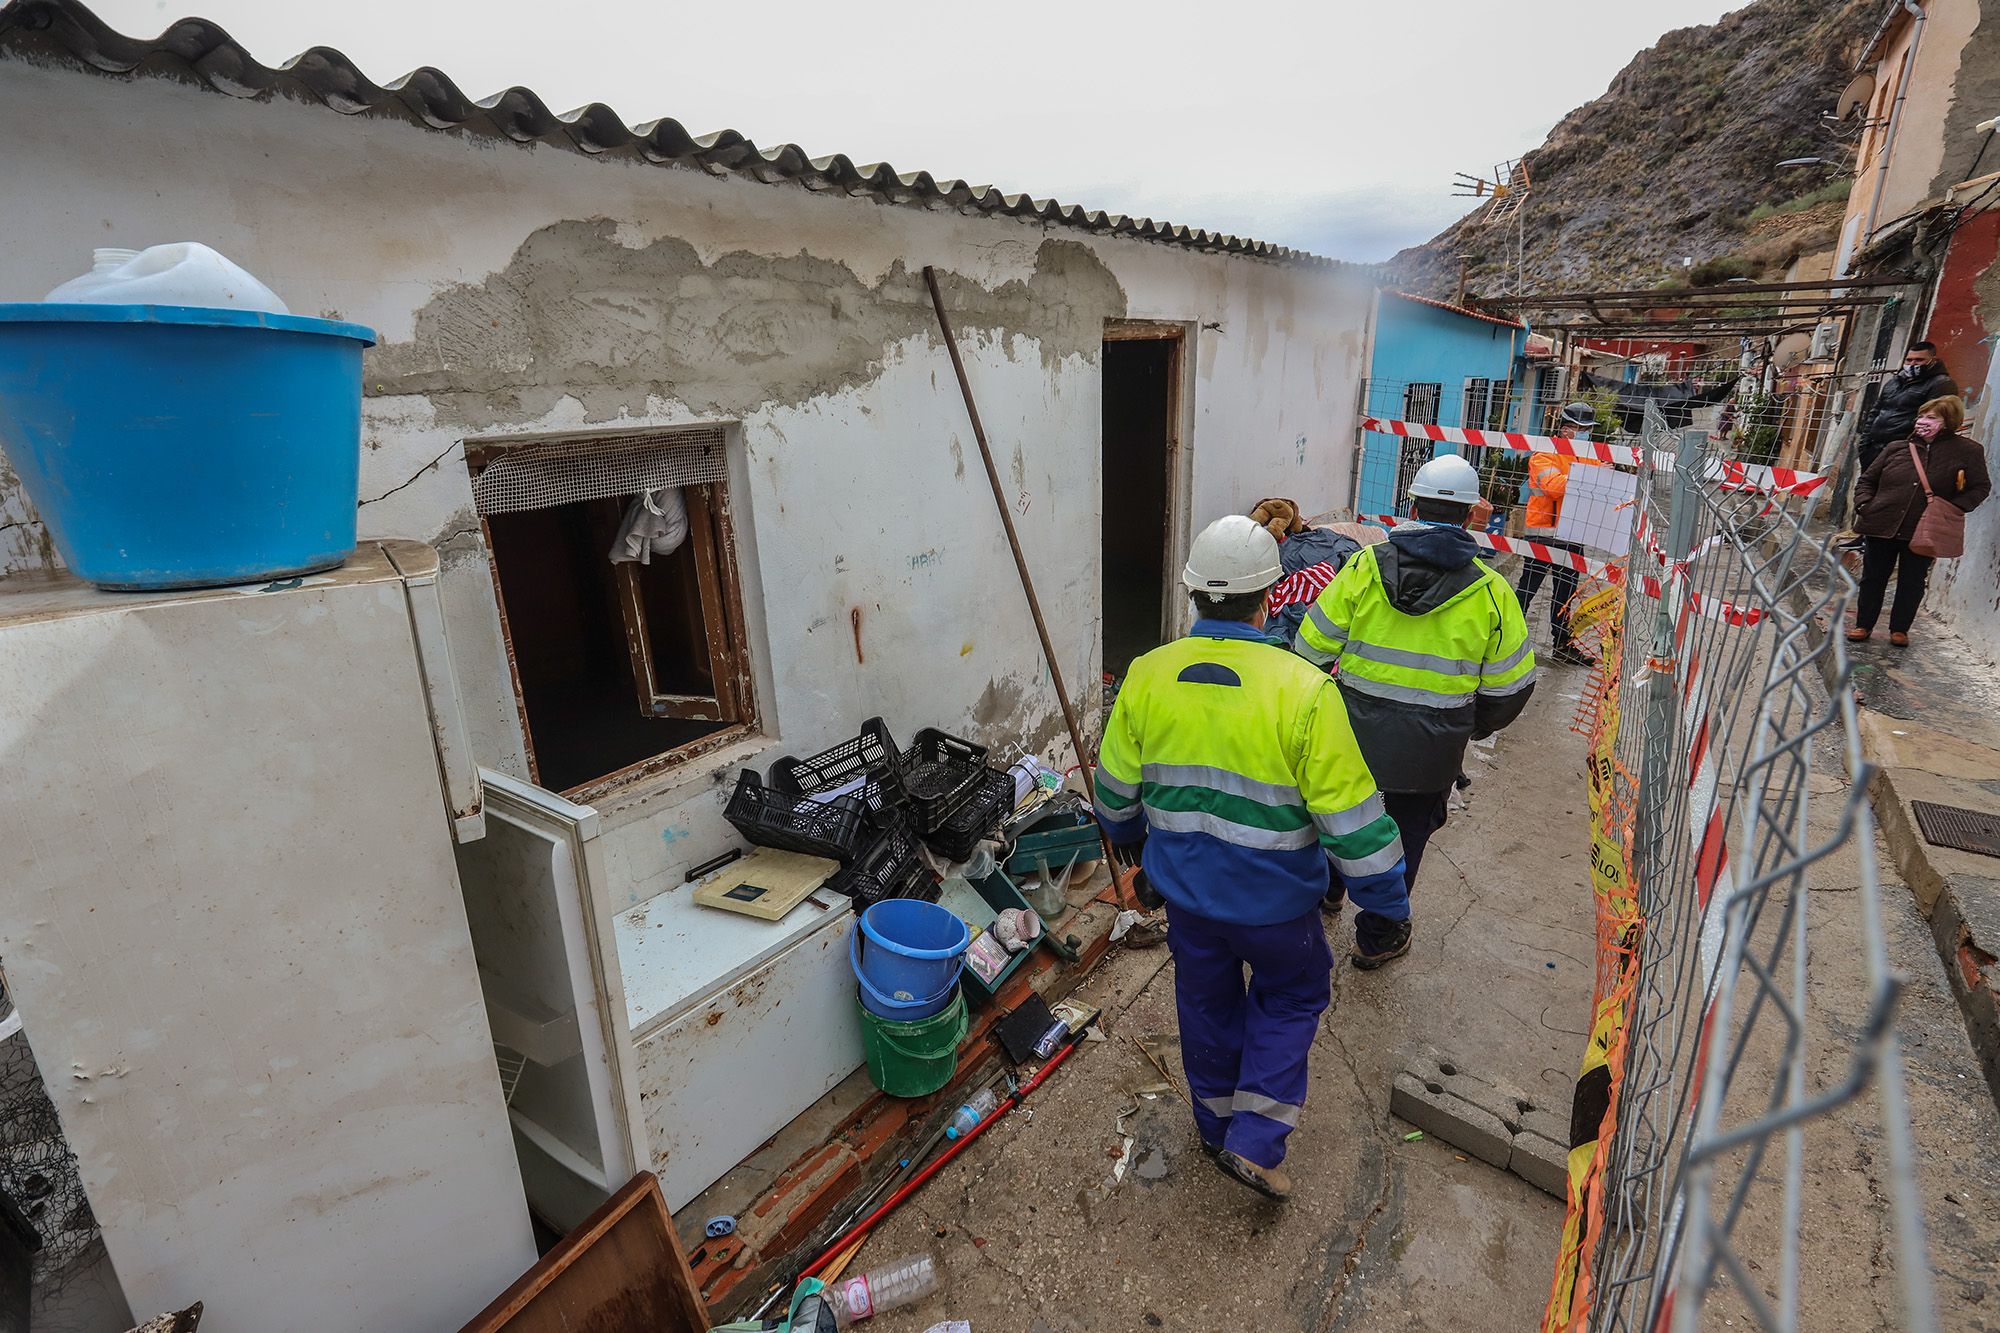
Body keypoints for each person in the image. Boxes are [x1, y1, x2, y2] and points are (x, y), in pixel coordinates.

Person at [1094, 515, 1409, 1201]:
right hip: (1276, 906)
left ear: (1193, 596)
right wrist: (1387, 899)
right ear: (1270, 596)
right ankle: (1255, 1141)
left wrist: (1129, 841)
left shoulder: (1147, 675)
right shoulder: (1303, 690)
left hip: (1188, 901)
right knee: (1293, 993)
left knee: (1204, 1001)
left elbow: (1115, 792)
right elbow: (1353, 821)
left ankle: (1215, 1126)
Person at [1294, 455, 1536, 904]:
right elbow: (1511, 689)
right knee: (1405, 842)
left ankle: (1329, 893)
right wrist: (1467, 725)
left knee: (1339, 817)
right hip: (1432, 751)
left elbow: (1309, 651)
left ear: (1415, 507)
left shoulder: (1364, 567)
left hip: (1350, 738)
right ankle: (1379, 935)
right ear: (1468, 514)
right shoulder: (1491, 591)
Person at [1847, 395, 1990, 647]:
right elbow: (1868, 479)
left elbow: (1980, 487)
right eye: (1922, 416)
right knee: (1872, 578)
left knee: (1912, 581)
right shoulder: (1897, 448)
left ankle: (1900, 629)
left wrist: (1953, 508)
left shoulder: (1968, 451)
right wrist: (1864, 504)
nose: (1923, 421)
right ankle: (1863, 624)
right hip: (1881, 523)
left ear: (1948, 421)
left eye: (1931, 417)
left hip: (1925, 528)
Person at [1514, 401, 1601, 667]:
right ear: (1565, 430)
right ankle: (1504, 639)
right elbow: (1551, 485)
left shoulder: (1589, 454)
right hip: (1544, 535)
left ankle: (1562, 646)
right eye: (1581, 428)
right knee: (1527, 590)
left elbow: (1600, 485)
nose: (1586, 433)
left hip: (1573, 535)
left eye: (1588, 428)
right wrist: (1589, 478)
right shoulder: (1545, 453)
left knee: (1566, 595)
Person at [1859, 342, 1958, 476]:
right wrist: (1864, 445)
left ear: (1932, 361)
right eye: (1909, 360)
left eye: (1919, 360)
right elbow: (1875, 412)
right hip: (1874, 451)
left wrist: (1910, 449)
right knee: (1866, 491)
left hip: (1904, 453)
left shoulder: (1941, 384)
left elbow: (1933, 422)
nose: (1912, 364)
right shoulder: (1894, 382)